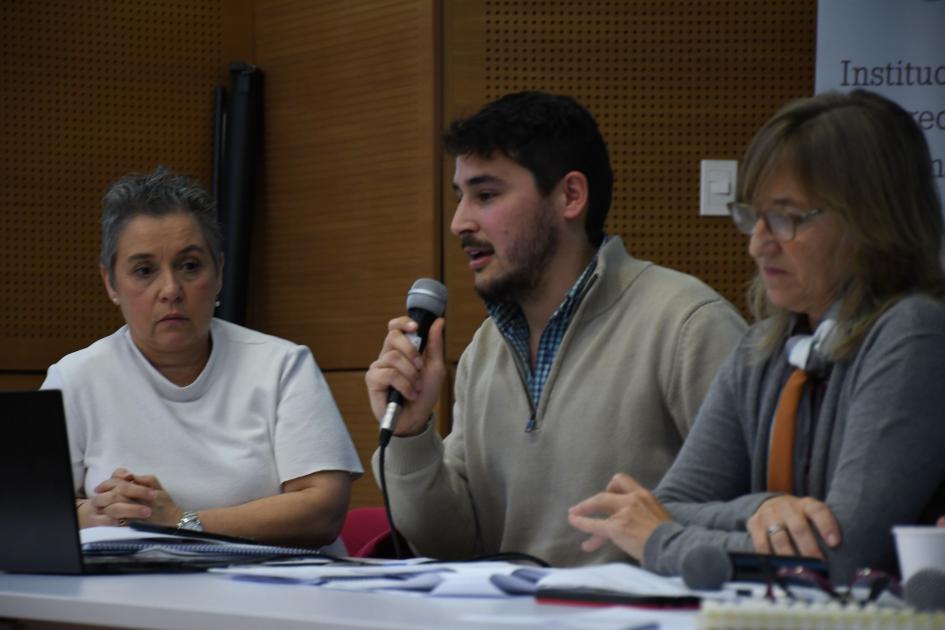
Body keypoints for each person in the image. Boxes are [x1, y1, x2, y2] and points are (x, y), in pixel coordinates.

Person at [568, 89, 945, 583]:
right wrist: (763, 509)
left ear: (872, 221)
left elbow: (840, 556)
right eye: (752, 216)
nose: (756, 243)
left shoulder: (913, 335)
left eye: (786, 218)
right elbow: (676, 502)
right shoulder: (764, 346)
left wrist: (665, 542)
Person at [365, 91, 746, 565]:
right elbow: (454, 548)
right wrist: (409, 433)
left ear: (570, 196)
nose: (459, 222)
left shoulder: (689, 325)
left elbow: (754, 521)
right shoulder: (484, 349)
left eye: (485, 195)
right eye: (461, 197)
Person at [42, 167, 363, 549]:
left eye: (190, 266)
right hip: (131, 596)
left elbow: (322, 510)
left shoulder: (281, 366)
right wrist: (94, 514)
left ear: (220, 272)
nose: (171, 290)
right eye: (144, 271)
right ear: (111, 283)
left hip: (276, 595)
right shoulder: (76, 378)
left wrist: (182, 522)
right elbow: (27, 508)